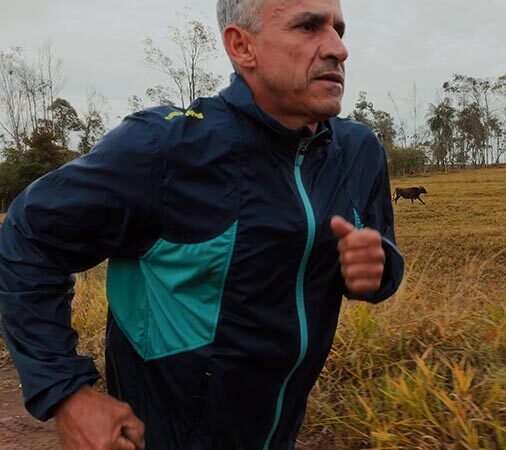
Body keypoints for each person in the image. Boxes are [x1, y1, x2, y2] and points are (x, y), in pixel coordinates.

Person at [0, 0, 404, 448]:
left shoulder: (359, 152)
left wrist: (377, 270)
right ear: (241, 45)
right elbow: (27, 236)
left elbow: (379, 263)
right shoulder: (165, 150)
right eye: (308, 26)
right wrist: (68, 394)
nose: (337, 48)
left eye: (338, 30)